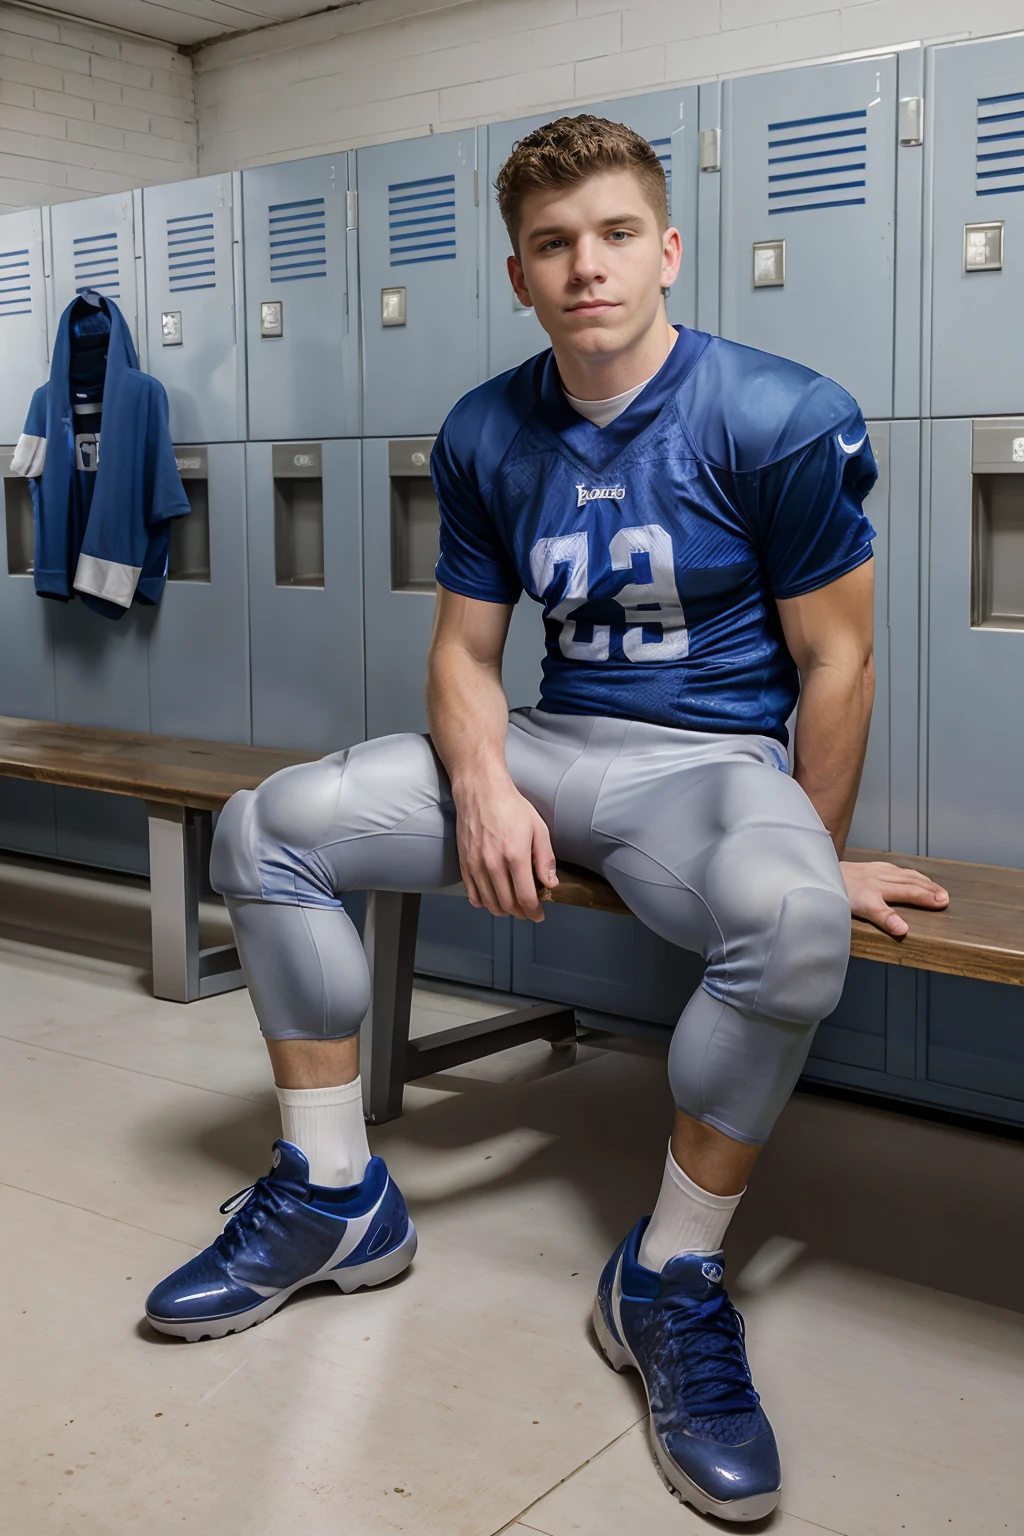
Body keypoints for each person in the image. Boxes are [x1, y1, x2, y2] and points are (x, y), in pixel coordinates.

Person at [145, 116, 949, 1523]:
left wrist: (808, 852)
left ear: (669, 249)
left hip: (706, 770)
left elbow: (838, 663)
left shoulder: (777, 413)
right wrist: (485, 779)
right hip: (548, 742)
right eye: (555, 246)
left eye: (618, 236)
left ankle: (669, 1277)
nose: (589, 269)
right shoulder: (485, 426)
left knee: (793, 922)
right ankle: (337, 1197)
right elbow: (464, 656)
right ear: (519, 275)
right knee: (267, 824)